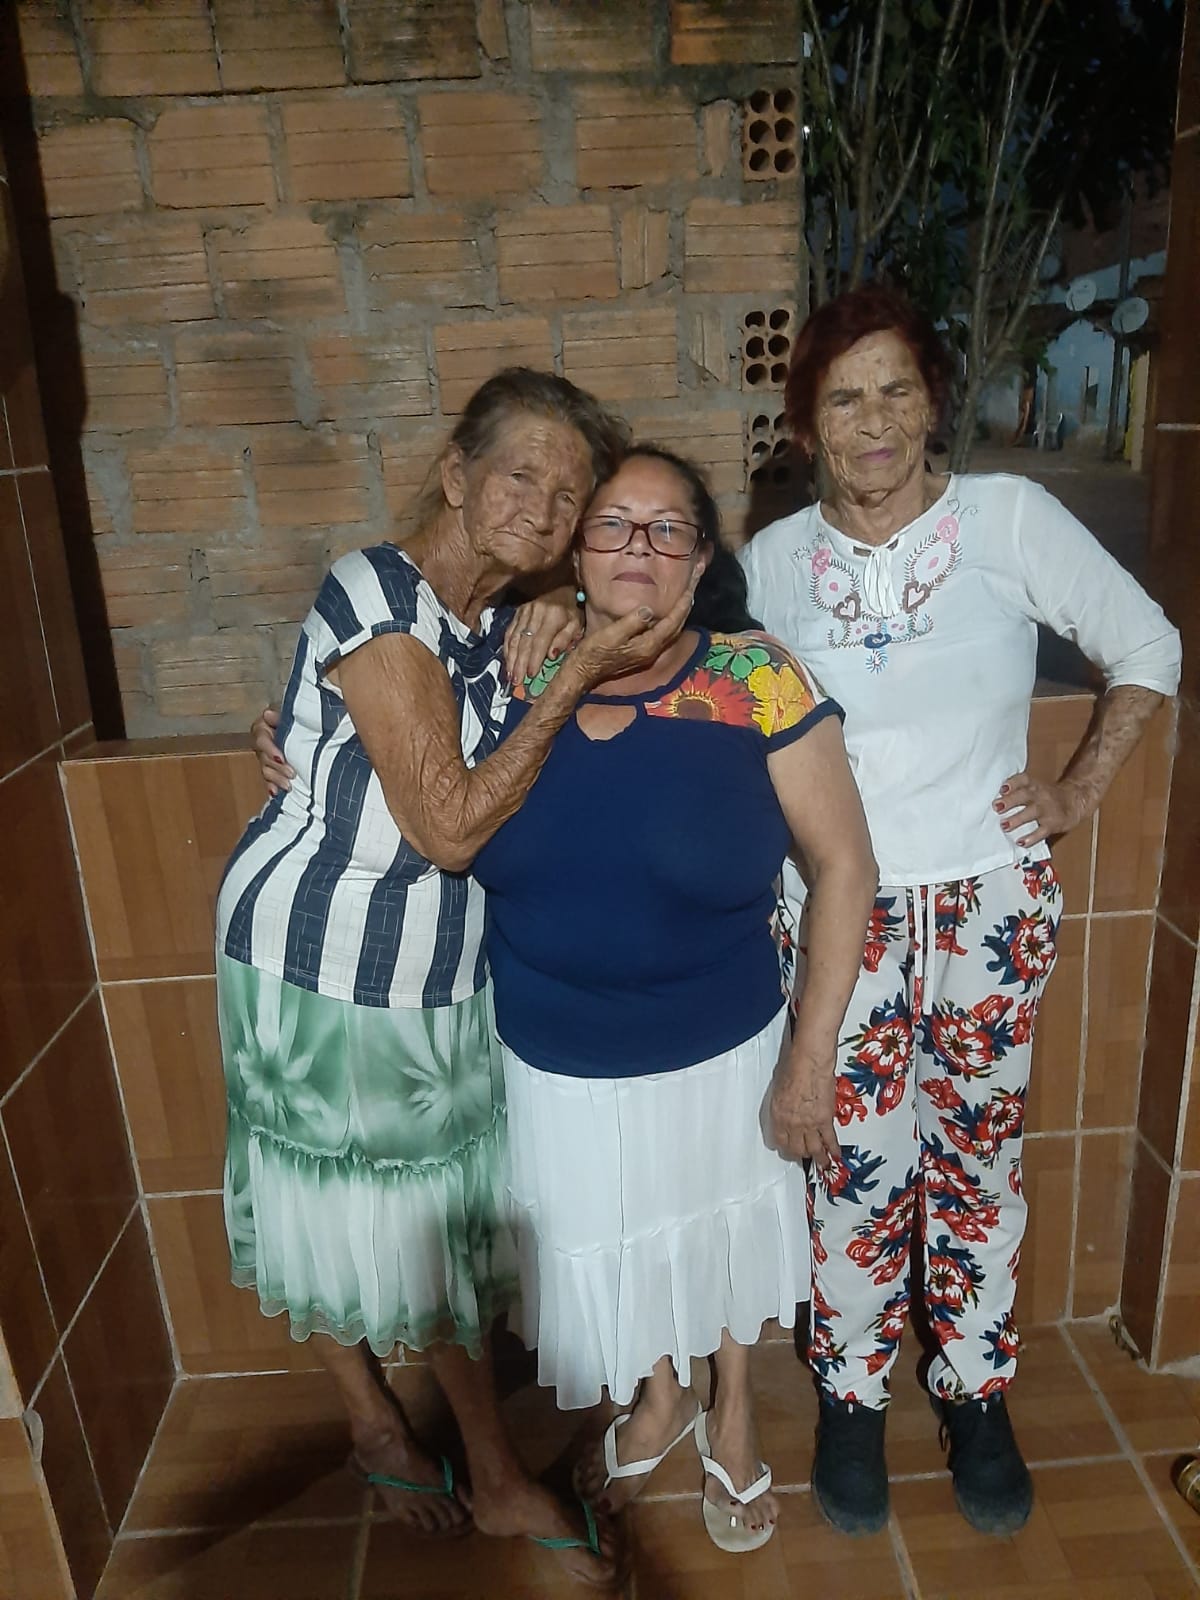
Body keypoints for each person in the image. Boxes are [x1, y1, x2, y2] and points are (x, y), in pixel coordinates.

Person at [216, 367, 696, 1588]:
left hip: (430, 979)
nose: (544, 503)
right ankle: (466, 1462)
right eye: (520, 472)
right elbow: (447, 826)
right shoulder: (378, 588)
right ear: (455, 475)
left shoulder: (497, 618)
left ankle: (406, 1431)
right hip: (316, 963)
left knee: (418, 1216)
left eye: (569, 490)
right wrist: (576, 669)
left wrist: (554, 637)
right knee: (339, 1197)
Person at [734, 284, 1182, 1538]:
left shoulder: (1008, 520)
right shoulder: (770, 565)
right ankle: (853, 1400)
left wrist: (1078, 790)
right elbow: (695, 703)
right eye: (843, 398)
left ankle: (977, 1394)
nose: (874, 421)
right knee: (852, 1165)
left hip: (988, 905)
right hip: (840, 917)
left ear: (934, 398)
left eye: (896, 389)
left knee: (977, 1160)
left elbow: (1148, 647)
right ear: (805, 423)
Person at [472, 445, 876, 1553]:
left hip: (724, 1044)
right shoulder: (505, 675)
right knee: (621, 1230)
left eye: (666, 528)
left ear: (701, 559)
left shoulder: (755, 679)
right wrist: (289, 750)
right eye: (612, 525)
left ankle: (732, 1409)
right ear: (576, 550)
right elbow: (384, 753)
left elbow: (845, 867)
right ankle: (661, 1394)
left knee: (724, 1230)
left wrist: (810, 1056)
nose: (637, 548)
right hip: (556, 1056)